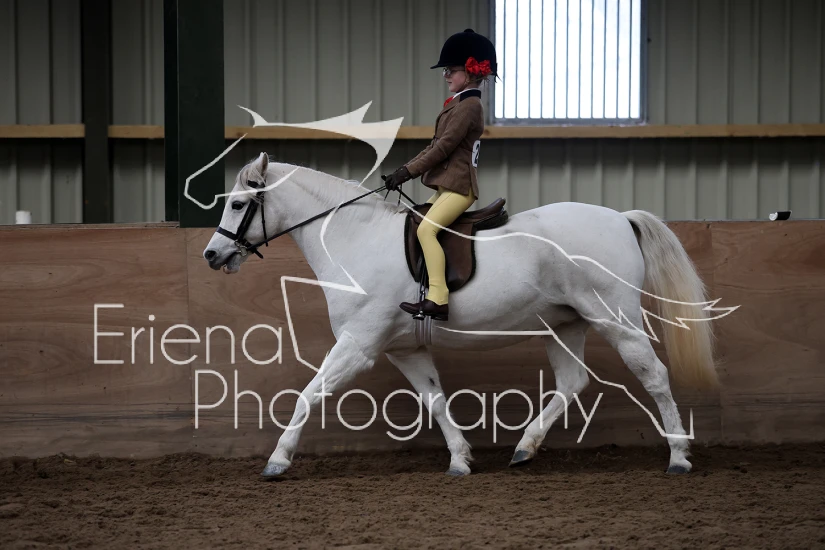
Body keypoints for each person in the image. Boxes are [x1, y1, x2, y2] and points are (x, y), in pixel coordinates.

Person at [383, 28, 497, 322]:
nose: (445, 75)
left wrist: (407, 172)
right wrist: (403, 170)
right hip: (448, 186)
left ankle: (438, 298)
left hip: (459, 188)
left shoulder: (469, 106)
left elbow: (443, 148)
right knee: (415, 221)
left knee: (426, 230)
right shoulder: (459, 104)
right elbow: (434, 146)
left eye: (451, 70)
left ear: (469, 73)